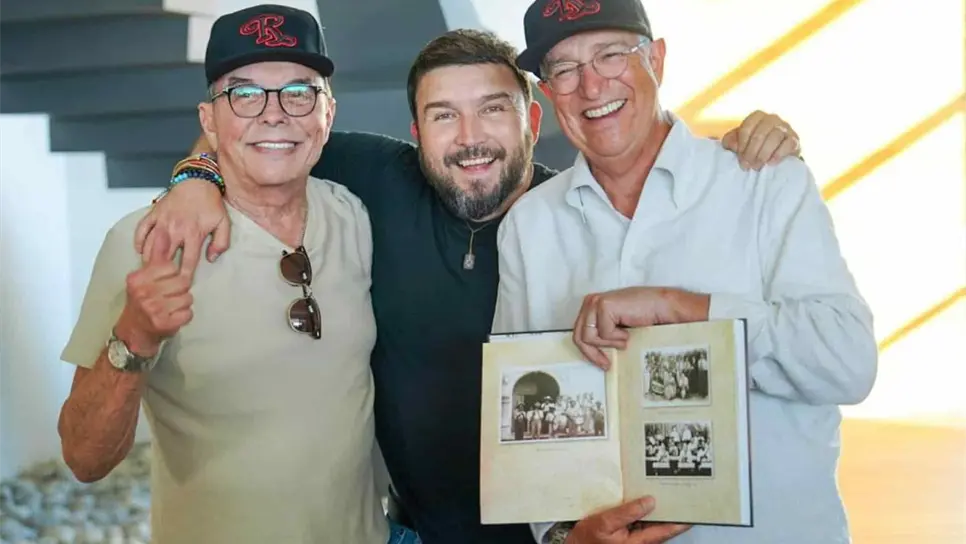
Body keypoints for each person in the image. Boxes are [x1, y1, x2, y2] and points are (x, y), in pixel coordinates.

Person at [131, 26, 805, 544]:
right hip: (416, 532)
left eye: (492, 110)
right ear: (416, 131)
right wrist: (197, 177)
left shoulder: (589, 221)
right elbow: (256, 128)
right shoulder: (377, 178)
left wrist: (744, 145)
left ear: (532, 121)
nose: (470, 137)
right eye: (444, 115)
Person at [492, 1, 878, 543]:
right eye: (565, 69)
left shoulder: (763, 181)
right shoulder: (528, 228)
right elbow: (531, 429)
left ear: (657, 60)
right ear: (548, 92)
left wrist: (681, 308)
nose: (592, 86)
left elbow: (848, 363)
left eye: (610, 55)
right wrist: (565, 537)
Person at [56, 5, 420, 544]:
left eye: (299, 91)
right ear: (209, 120)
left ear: (328, 114)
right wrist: (133, 336)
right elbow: (84, 458)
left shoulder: (356, 216)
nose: (274, 114)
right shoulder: (147, 243)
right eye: (245, 94)